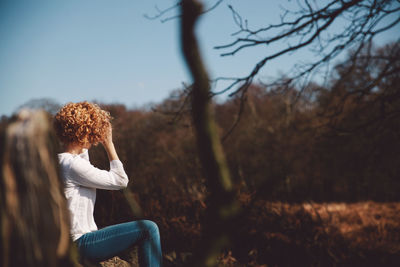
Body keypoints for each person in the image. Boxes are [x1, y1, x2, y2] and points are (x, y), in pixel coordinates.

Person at [54, 101, 162, 266]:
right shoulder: (73, 165)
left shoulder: (61, 161)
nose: (96, 137)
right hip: (79, 244)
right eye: (93, 132)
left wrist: (84, 138)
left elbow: (82, 158)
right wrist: (109, 144)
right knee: (148, 229)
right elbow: (120, 180)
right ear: (84, 132)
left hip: (67, 244)